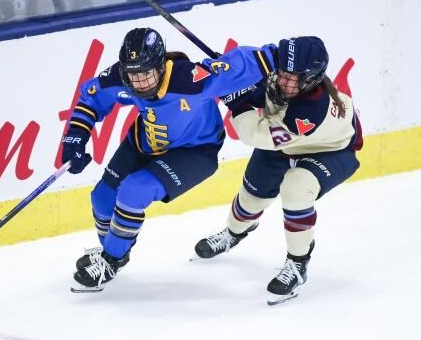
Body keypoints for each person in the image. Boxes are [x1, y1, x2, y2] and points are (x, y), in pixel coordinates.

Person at [61, 27, 277, 292]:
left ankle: (110, 260)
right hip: (144, 142)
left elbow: (243, 61)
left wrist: (284, 56)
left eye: (145, 73)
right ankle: (115, 250)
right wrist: (75, 136)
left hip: (195, 152)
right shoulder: (120, 75)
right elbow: (91, 99)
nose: (138, 82)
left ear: (161, 66)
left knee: (134, 190)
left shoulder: (192, 79)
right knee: (102, 197)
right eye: (132, 74)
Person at [193, 36, 363, 305]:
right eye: (282, 72)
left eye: (292, 77)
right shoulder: (287, 78)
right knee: (250, 198)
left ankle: (298, 264)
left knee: (295, 188)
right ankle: (234, 233)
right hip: (285, 143)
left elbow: (256, 135)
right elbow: (259, 87)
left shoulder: (309, 113)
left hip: (330, 151)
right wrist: (231, 76)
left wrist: (236, 102)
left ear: (311, 79)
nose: (282, 80)